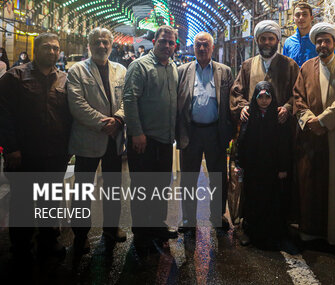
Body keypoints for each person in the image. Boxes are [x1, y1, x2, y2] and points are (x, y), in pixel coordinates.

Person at [0, 33, 71, 261]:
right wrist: (11, 148)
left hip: (54, 154)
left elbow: (70, 116)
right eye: (47, 47)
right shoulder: (14, 77)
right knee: (22, 201)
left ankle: (48, 242)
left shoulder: (65, 79)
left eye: (55, 48)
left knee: (49, 200)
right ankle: (21, 247)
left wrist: (68, 149)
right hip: (24, 154)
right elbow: (4, 115)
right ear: (35, 48)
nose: (52, 52)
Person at [230, 20, 299, 242]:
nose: (267, 42)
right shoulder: (248, 66)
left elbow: (298, 95)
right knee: (254, 182)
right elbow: (236, 93)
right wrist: (242, 108)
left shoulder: (289, 65)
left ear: (278, 40)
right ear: (257, 40)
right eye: (263, 38)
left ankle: (278, 225)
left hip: (279, 135)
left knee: (279, 181)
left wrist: (287, 108)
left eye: (271, 38)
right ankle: (250, 224)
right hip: (254, 137)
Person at [293, 22, 335, 251]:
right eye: (319, 41)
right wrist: (310, 120)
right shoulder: (307, 67)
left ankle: (334, 236)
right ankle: (310, 233)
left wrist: (324, 121)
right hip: (312, 134)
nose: (322, 45)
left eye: (327, 41)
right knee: (311, 182)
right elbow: (298, 97)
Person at [66, 27, 127, 258]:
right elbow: (77, 105)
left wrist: (119, 119)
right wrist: (105, 123)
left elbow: (127, 99)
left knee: (113, 188)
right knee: (83, 191)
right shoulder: (78, 71)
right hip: (88, 140)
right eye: (97, 42)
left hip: (114, 140)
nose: (102, 46)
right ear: (89, 46)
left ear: (111, 45)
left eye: (105, 42)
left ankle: (111, 228)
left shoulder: (121, 70)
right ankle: (80, 236)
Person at [123, 25, 179, 255]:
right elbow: (129, 98)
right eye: (163, 41)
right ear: (154, 41)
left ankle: (158, 225)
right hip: (144, 140)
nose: (167, 46)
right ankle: (142, 233)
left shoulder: (173, 67)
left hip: (165, 140)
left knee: (160, 186)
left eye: (171, 43)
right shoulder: (139, 66)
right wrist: (137, 132)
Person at [176, 32, 234, 235]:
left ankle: (217, 215)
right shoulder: (182, 71)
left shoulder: (224, 72)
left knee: (218, 177)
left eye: (205, 45)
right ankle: (188, 218)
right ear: (193, 48)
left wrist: (230, 132)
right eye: (198, 45)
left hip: (215, 131)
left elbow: (231, 104)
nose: (201, 49)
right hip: (191, 132)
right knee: (189, 178)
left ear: (212, 48)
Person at [235, 81, 291, 251]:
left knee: (271, 200)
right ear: (255, 98)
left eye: (268, 97)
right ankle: (250, 231)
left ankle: (270, 233)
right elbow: (241, 141)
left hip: (271, 168)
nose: (264, 101)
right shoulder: (250, 115)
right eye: (261, 97)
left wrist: (283, 168)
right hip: (253, 167)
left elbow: (283, 144)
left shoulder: (278, 117)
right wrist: (239, 164)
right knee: (252, 199)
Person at [283, 1, 317, 66]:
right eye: (298, 15)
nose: (301, 18)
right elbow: (285, 66)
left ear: (311, 18)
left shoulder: (318, 41)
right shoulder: (289, 42)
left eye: (305, 14)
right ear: (293, 19)